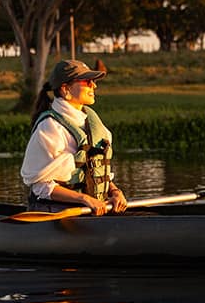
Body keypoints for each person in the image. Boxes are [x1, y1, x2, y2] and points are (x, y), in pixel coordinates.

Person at [20, 59, 128, 215]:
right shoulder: (50, 127)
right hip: (56, 212)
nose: (94, 86)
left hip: (94, 210)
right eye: (87, 81)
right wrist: (84, 199)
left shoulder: (91, 121)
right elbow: (40, 187)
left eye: (93, 81)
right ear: (65, 89)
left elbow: (94, 169)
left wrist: (115, 191)